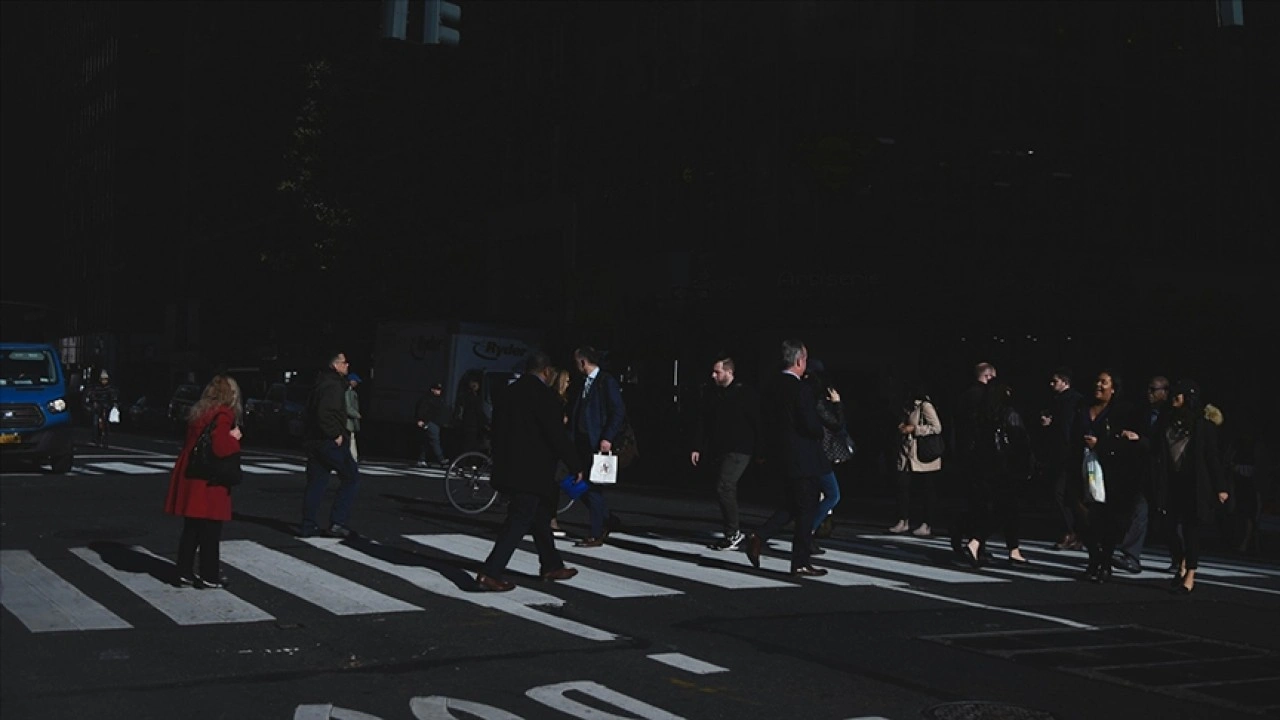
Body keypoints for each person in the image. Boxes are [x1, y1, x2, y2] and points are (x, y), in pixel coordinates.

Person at [474, 350, 584, 592]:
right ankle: (490, 572)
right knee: (520, 519)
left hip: (509, 465)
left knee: (540, 517)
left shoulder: (507, 393)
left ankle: (551, 565)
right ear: (546, 371)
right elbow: (556, 436)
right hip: (534, 469)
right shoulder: (545, 397)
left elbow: (496, 430)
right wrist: (575, 464)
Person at [746, 339, 827, 577]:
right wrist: (818, 429)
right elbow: (810, 425)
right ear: (800, 361)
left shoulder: (771, 386)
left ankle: (759, 536)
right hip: (803, 455)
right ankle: (800, 560)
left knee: (793, 504)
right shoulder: (800, 389)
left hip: (780, 454)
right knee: (807, 509)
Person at [164, 374, 243, 588]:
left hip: (192, 472)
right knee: (210, 529)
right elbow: (220, 447)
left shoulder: (199, 411)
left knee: (192, 528)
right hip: (209, 478)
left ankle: (184, 571)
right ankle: (209, 574)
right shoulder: (223, 414)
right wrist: (234, 440)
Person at [1153, 380, 1228, 595]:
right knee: (1167, 526)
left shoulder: (1202, 426)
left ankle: (1190, 574)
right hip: (1170, 482)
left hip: (1194, 484)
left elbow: (1212, 458)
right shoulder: (1166, 421)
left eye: (1180, 394)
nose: (1175, 397)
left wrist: (1220, 487)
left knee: (1191, 528)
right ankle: (1180, 560)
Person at [1071, 369, 1143, 583]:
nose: (1099, 386)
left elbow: (1129, 442)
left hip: (1111, 472)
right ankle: (1094, 558)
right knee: (1084, 518)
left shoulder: (1122, 411)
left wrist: (1102, 444)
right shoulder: (1083, 408)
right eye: (1097, 382)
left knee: (1108, 520)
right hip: (1082, 467)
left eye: (1104, 382)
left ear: (1114, 388)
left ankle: (1104, 562)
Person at [956, 381, 1033, 567]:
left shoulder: (980, 413)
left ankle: (1014, 550)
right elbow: (1021, 444)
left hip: (983, 470)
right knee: (1005, 510)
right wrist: (1027, 466)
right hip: (1006, 470)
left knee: (1006, 510)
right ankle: (976, 542)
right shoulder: (1009, 414)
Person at [690, 354, 760, 551]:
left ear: (729, 372)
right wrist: (697, 446)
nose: (713, 375)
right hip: (721, 448)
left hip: (740, 449)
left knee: (724, 486)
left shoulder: (745, 394)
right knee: (725, 488)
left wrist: (760, 449)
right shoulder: (713, 394)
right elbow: (704, 422)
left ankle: (733, 533)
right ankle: (731, 531)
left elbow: (757, 422)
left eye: (717, 372)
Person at [566, 346, 626, 547]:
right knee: (576, 483)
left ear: (583, 362)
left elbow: (618, 411)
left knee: (593, 488)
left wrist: (607, 437)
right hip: (581, 441)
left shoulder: (605, 382)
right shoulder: (582, 383)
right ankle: (605, 518)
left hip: (597, 441)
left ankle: (596, 532)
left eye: (577, 362)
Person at [299, 351, 362, 539]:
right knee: (351, 478)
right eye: (344, 362)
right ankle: (337, 523)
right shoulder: (333, 386)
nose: (347, 365)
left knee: (317, 483)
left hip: (314, 441)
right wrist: (335, 434)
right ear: (335, 365)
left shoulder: (320, 383)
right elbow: (325, 413)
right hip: (329, 441)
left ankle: (308, 525)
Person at [1111, 375, 1169, 572]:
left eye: (1154, 390)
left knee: (1170, 516)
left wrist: (1141, 439)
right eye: (1149, 389)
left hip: (1165, 473)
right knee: (1139, 510)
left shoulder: (1169, 415)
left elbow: (1164, 445)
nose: (1149, 394)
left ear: (1164, 392)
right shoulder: (1142, 412)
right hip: (1144, 470)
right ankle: (1131, 555)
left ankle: (1182, 558)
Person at [1040, 367, 1085, 551]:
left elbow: (1064, 429)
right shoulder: (1071, 400)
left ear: (1065, 382)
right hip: (1069, 453)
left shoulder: (1067, 402)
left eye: (1055, 381)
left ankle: (1072, 532)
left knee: (1061, 493)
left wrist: (1050, 425)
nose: (1052, 384)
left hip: (1066, 454)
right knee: (1068, 495)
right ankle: (1076, 533)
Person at [891, 382, 943, 537]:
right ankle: (903, 520)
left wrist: (916, 429)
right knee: (903, 486)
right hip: (907, 452)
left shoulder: (924, 406)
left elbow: (937, 427)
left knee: (926, 490)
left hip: (922, 454)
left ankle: (926, 524)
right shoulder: (906, 407)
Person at [807, 359, 845, 554]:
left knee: (811, 496)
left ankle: (808, 533)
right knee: (832, 494)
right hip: (819, 453)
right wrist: (837, 404)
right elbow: (837, 424)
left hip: (811, 451)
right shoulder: (818, 400)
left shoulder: (805, 395)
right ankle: (809, 533)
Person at [549, 366, 574, 538]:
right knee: (554, 485)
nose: (569, 384)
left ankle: (550, 519)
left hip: (554, 448)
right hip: (555, 449)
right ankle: (551, 520)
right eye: (566, 381)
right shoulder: (557, 400)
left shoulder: (560, 399)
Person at [414, 382, 450, 467]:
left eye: (440, 390)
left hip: (435, 422)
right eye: (437, 389)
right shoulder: (427, 399)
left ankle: (421, 459)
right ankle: (441, 459)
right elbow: (421, 410)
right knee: (434, 440)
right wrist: (420, 419)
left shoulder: (438, 399)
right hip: (430, 422)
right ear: (432, 389)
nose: (439, 391)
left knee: (426, 441)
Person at [84, 369, 119, 448]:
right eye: (103, 379)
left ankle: (105, 440)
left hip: (106, 407)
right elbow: (92, 395)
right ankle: (96, 438)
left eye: (105, 379)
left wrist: (114, 404)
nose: (104, 381)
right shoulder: (96, 387)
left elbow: (113, 397)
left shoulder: (110, 388)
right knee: (95, 423)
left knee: (106, 423)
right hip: (97, 407)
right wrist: (94, 402)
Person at [454, 377, 489, 454]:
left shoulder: (463, 396)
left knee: (466, 444)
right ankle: (465, 462)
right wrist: (486, 423)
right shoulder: (474, 398)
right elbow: (478, 412)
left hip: (465, 424)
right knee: (470, 445)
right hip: (472, 425)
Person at [344, 372, 362, 462]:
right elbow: (348, 407)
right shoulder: (348, 392)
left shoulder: (350, 392)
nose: (356, 383)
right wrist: (356, 414)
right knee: (350, 440)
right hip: (348, 422)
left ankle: (352, 458)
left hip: (350, 422)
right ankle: (352, 458)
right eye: (355, 381)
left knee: (351, 439)